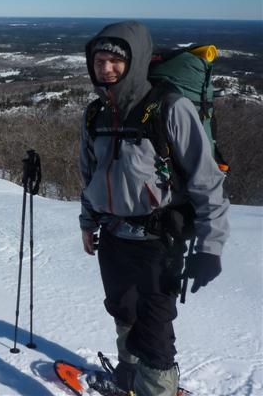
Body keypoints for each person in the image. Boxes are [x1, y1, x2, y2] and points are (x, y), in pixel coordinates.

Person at [78, 21, 229, 396]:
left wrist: (210, 248)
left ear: (136, 61)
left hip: (159, 240)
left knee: (155, 329)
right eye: (100, 60)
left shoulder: (170, 108)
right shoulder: (95, 115)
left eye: (116, 60)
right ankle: (127, 381)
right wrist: (88, 222)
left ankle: (158, 389)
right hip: (113, 236)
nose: (107, 68)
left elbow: (206, 181)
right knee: (122, 312)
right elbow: (90, 176)